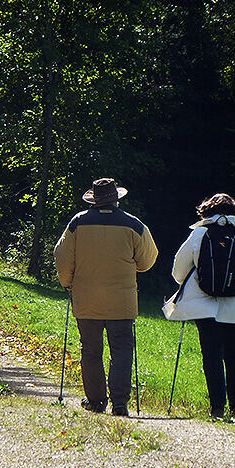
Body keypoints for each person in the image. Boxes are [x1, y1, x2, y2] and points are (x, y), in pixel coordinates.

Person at [54, 178, 158, 416]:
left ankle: (96, 400)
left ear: (93, 199)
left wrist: (67, 282)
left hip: (86, 299)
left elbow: (61, 256)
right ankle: (120, 402)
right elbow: (148, 260)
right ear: (117, 199)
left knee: (90, 350)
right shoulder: (134, 224)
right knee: (121, 350)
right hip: (122, 302)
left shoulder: (77, 223)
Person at [170, 192, 235, 420]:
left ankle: (217, 407)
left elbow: (178, 271)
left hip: (203, 308)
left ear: (206, 211)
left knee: (211, 355)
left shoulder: (199, 233)